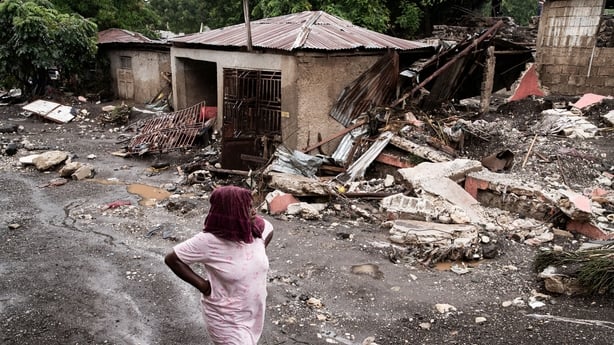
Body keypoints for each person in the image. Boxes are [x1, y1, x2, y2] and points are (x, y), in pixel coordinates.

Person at [165, 185, 274, 344]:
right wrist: (204, 286)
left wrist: (258, 253)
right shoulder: (208, 241)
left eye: (252, 205)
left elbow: (270, 229)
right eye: (247, 207)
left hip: (253, 312)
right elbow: (172, 259)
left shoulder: (256, 231)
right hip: (225, 316)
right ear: (231, 212)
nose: (254, 210)